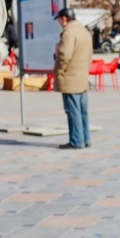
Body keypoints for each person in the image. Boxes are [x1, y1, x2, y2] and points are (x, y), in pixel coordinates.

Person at [53, 8, 93, 149]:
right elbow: (89, 55)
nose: (58, 22)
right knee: (82, 111)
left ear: (64, 18)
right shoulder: (84, 31)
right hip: (81, 77)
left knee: (73, 111)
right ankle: (85, 138)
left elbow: (64, 55)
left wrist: (59, 71)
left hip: (69, 78)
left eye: (59, 19)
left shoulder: (69, 33)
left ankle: (76, 141)